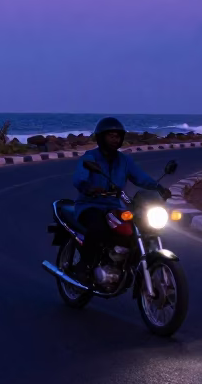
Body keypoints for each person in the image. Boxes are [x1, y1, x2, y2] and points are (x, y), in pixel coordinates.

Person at [71, 117, 171, 276]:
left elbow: (140, 177)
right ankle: (85, 265)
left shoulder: (124, 160)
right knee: (98, 229)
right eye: (110, 135)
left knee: (134, 229)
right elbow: (79, 178)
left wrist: (158, 187)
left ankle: (119, 263)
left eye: (117, 136)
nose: (114, 139)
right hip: (90, 205)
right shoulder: (90, 157)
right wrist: (88, 188)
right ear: (100, 137)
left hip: (114, 206)